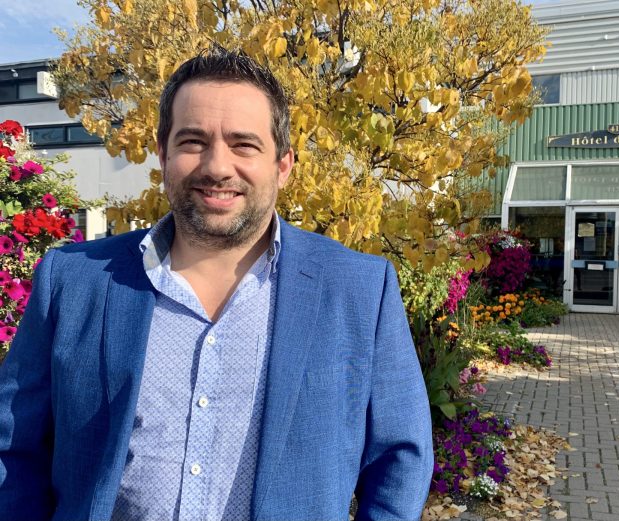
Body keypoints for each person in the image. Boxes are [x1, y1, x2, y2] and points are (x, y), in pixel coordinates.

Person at [0, 47, 433, 521]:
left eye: (244, 144)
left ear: (283, 165)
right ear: (163, 153)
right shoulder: (73, 281)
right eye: (193, 141)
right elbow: (13, 446)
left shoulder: (360, 290)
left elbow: (401, 457)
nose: (217, 166)